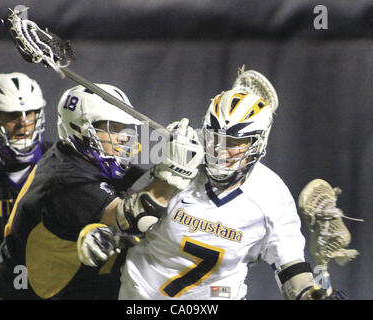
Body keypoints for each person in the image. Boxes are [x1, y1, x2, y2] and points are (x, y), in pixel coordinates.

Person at [79, 70, 346, 300]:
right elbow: (129, 223)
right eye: (215, 138)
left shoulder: (271, 195)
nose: (220, 151)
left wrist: (310, 293)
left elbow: (290, 268)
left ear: (258, 144)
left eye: (233, 143)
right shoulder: (179, 165)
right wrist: (105, 235)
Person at [0, 83, 203, 300]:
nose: (125, 138)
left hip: (65, 284)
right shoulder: (63, 180)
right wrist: (173, 174)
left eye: (126, 129)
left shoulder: (87, 159)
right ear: (81, 129)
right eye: (113, 128)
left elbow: (147, 187)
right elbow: (135, 217)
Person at [0, 72, 50, 297]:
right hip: (15, 283)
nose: (24, 123)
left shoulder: (62, 164)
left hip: (65, 282)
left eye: (30, 114)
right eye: (13, 115)